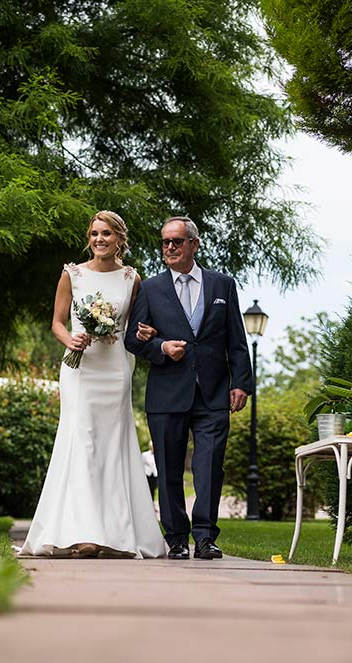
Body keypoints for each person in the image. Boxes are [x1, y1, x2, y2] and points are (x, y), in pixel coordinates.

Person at [16, 211, 166, 559]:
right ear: (90, 237)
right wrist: (70, 340)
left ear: (119, 239)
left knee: (112, 447)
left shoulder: (132, 279)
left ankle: (114, 533)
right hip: (80, 371)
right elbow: (56, 322)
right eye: (95, 233)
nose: (100, 239)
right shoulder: (73, 274)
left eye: (107, 234)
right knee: (83, 443)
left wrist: (146, 332)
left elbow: (136, 327)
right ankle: (84, 534)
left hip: (115, 370)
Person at [125, 216, 253, 560]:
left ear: (194, 245)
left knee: (210, 466)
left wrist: (241, 382)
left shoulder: (222, 285)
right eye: (165, 242)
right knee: (168, 468)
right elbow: (132, 340)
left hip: (214, 392)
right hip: (167, 391)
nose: (169, 247)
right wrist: (161, 348)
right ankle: (177, 538)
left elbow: (237, 339)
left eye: (176, 242)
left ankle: (206, 537)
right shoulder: (151, 288)